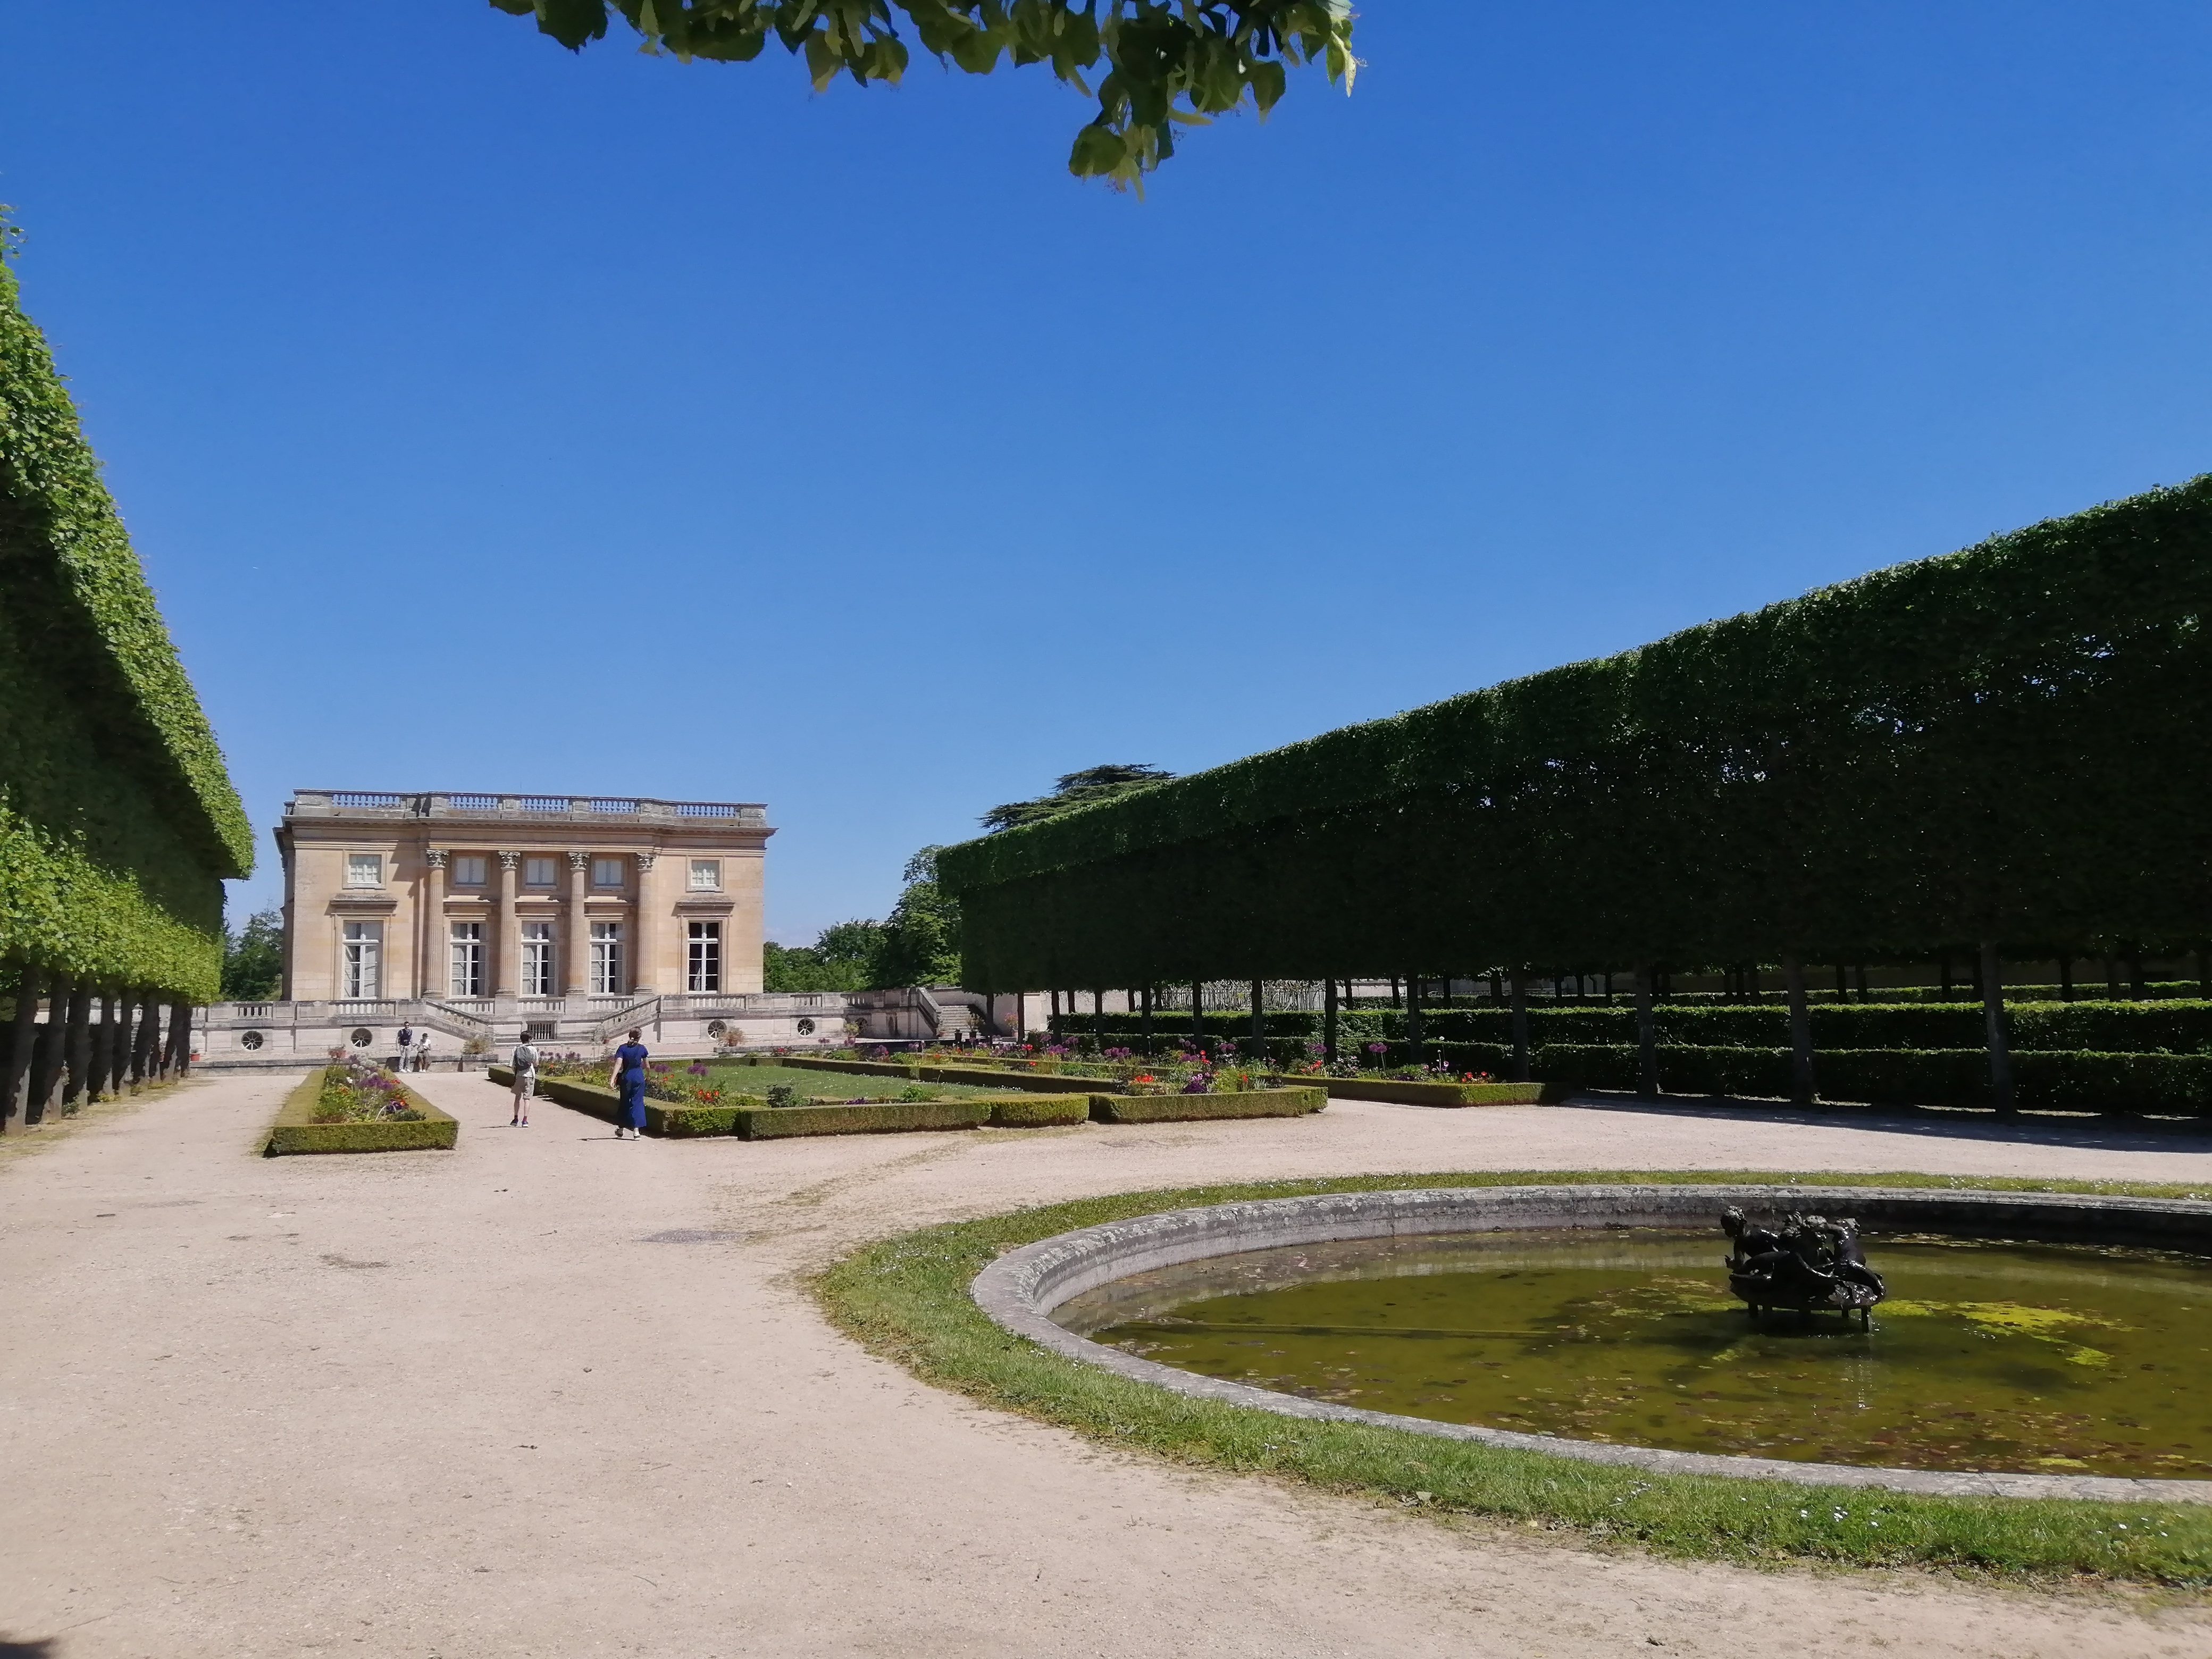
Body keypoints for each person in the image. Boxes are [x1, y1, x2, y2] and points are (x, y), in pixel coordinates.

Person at [607, 1028, 649, 1139]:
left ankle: (621, 1129)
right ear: (639, 1037)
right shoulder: (642, 1048)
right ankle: (636, 1131)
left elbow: (618, 1064)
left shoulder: (623, 1048)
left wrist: (612, 1079)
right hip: (638, 1076)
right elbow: (647, 1065)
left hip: (626, 1077)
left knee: (624, 1102)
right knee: (638, 1102)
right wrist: (648, 1074)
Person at [509, 1037, 538, 1126]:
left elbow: (512, 1065)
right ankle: (525, 1120)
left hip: (519, 1076)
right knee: (527, 1099)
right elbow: (536, 1063)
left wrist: (516, 1073)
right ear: (530, 1039)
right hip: (529, 1075)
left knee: (517, 1098)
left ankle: (515, 1118)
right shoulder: (533, 1049)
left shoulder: (516, 1049)